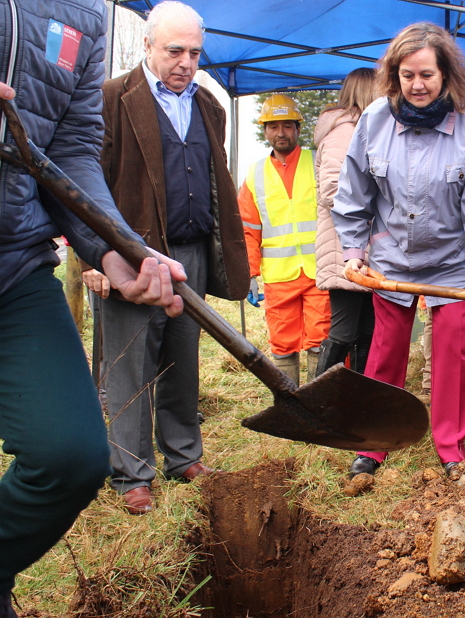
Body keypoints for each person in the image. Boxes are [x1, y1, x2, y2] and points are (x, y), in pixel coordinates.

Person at [0, 0, 187, 615]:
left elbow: (71, 149)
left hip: (13, 267)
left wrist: (111, 247)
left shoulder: (83, 14)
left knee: (71, 457)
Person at [82, 1, 250, 515]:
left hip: (192, 253)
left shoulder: (210, 106)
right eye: (175, 50)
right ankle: (132, 474)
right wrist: (94, 259)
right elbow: (83, 184)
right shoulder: (111, 99)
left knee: (182, 361)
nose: (186, 62)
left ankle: (183, 456)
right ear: (148, 45)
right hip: (132, 260)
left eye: (194, 53)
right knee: (129, 367)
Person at [332, 23, 465, 479]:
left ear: (445, 75)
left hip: (452, 262)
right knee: (384, 352)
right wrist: (354, 249)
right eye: (407, 75)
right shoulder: (375, 120)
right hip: (392, 258)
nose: (417, 85)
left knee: (453, 355)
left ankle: (451, 447)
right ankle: (374, 444)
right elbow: (355, 192)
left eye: (427, 75)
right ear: (394, 75)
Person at [238, 94, 330, 385]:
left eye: (287, 126)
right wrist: (249, 274)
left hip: (320, 272)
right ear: (265, 131)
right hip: (279, 277)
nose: (281, 133)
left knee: (321, 341)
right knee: (282, 344)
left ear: (298, 129)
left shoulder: (318, 162)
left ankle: (317, 403)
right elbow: (248, 230)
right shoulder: (254, 175)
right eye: (274, 126)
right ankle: (288, 403)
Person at [314, 68, 377, 376]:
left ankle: (357, 397)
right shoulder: (343, 133)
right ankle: (316, 399)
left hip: (366, 247)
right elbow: (331, 190)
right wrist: (378, 201)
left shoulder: (364, 130)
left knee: (367, 332)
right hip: (342, 247)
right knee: (343, 332)